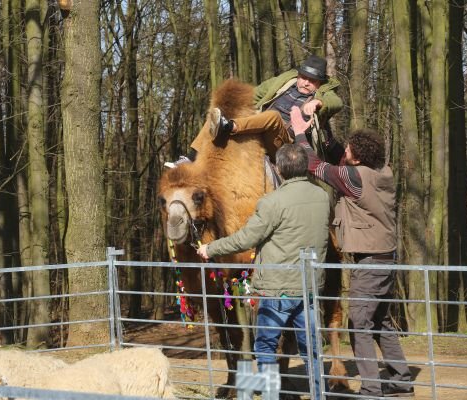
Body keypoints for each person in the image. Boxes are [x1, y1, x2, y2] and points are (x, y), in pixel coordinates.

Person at [290, 107, 414, 398]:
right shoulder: (382, 173)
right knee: (380, 321)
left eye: (348, 148)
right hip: (386, 258)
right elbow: (337, 158)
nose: (343, 150)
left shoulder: (355, 179)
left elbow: (314, 165)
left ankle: (371, 389)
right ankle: (401, 381)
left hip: (369, 262)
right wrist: (322, 127)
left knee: (358, 322)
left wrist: (299, 131)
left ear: (357, 157)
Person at [196, 143, 330, 399]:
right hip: (309, 287)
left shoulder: (272, 202)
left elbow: (246, 238)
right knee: (311, 349)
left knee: (266, 346)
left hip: (276, 289)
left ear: (279, 168)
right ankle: (317, 394)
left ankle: (271, 395)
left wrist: (211, 248)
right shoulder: (321, 197)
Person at [165, 54, 342, 168]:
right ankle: (190, 157)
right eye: (303, 77)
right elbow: (255, 94)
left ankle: (230, 127)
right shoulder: (284, 82)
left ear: (320, 82)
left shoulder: (324, 94)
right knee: (221, 112)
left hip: (286, 144)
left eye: (312, 81)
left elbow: (336, 102)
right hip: (259, 128)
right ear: (298, 75)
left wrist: (318, 102)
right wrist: (232, 105)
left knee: (273, 117)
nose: (306, 83)